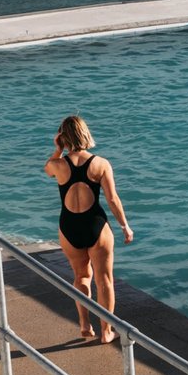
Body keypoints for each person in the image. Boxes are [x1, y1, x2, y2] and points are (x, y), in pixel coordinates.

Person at [44, 116, 133, 345]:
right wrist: (124, 225)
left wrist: (57, 150)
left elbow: (47, 170)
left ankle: (85, 324)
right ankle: (106, 331)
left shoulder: (59, 164)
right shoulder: (100, 163)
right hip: (95, 225)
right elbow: (112, 199)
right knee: (105, 280)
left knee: (81, 276)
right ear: (85, 133)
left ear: (64, 137)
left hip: (69, 227)